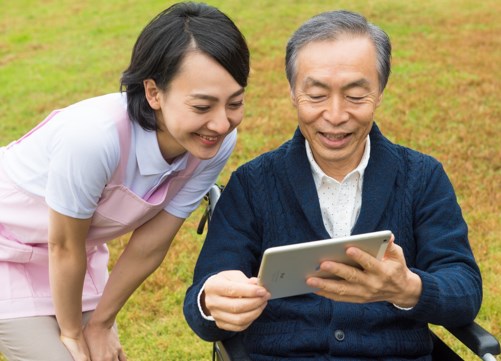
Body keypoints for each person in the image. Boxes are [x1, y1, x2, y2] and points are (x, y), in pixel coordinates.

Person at [183, 9, 482, 360]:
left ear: (381, 91)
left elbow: (464, 290)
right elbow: (201, 306)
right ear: (294, 92)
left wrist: (408, 288)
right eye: (317, 95)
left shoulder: (422, 177)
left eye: (355, 96)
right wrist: (211, 301)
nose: (336, 115)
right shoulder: (252, 185)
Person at [0, 2, 249, 361]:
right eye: (202, 106)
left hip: (71, 257)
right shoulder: (93, 138)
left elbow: (150, 243)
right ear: (153, 93)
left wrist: (100, 324)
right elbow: (64, 246)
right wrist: (72, 334)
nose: (222, 124)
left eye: (235, 103)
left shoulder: (216, 141)